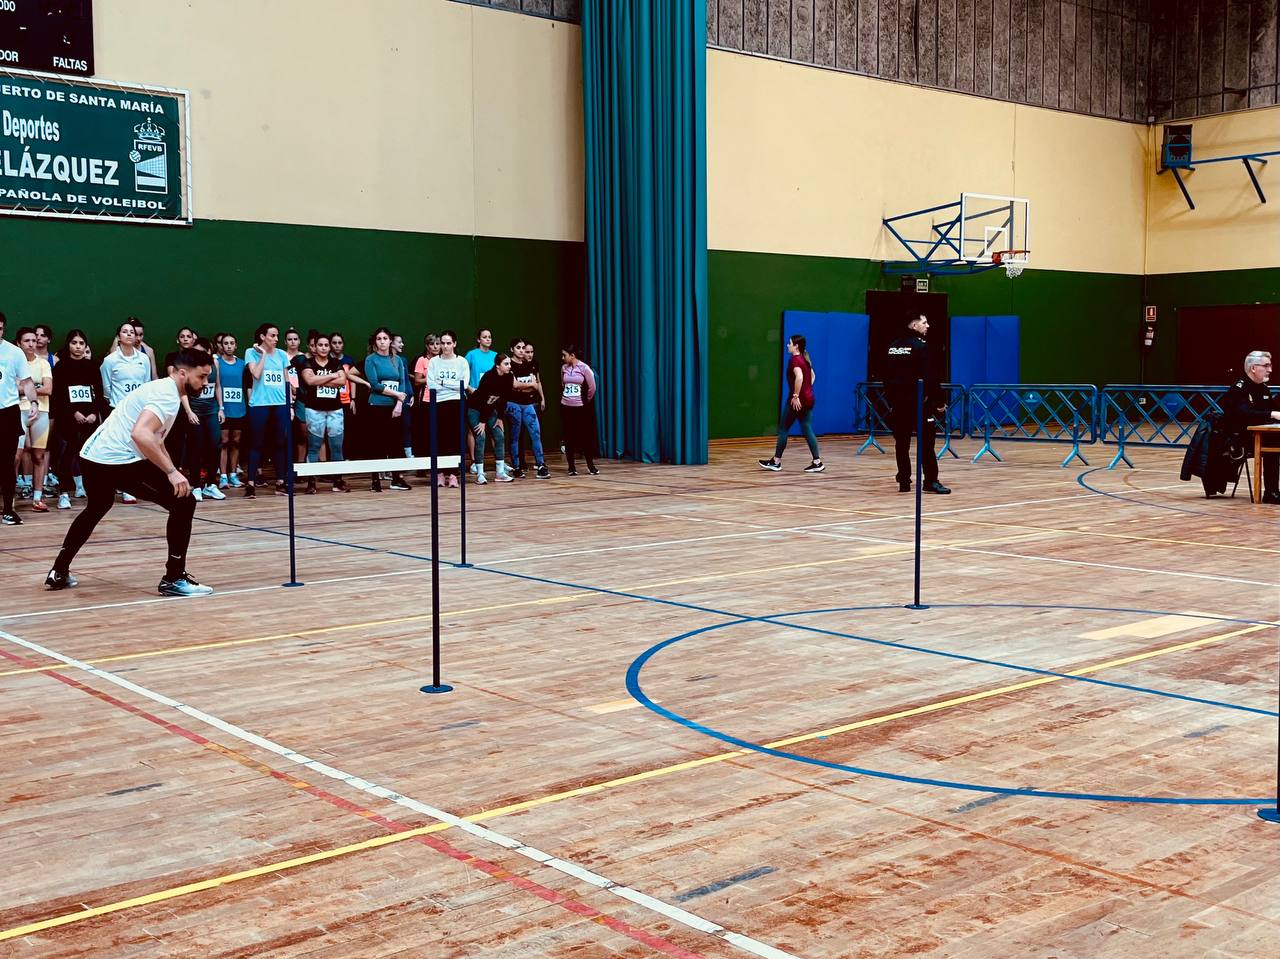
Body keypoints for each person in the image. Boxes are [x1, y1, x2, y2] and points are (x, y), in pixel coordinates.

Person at [44, 349, 216, 596]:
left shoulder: (162, 389)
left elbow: (155, 439)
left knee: (97, 506)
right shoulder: (166, 396)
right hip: (115, 460)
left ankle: (59, 570)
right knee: (184, 502)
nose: (205, 383)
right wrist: (171, 471)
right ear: (182, 373)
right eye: (201, 376)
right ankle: (174, 578)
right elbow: (141, 434)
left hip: (92, 455)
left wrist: (173, 471)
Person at [885, 313, 950, 495]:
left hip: (898, 405)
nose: (928, 326)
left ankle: (904, 481)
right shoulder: (921, 346)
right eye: (924, 322)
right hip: (919, 404)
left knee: (901, 444)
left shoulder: (893, 346)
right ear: (914, 325)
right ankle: (930, 481)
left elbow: (886, 377)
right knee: (927, 445)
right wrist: (939, 402)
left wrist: (892, 400)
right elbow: (931, 378)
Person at [50, 329, 106, 509]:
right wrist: (73, 412)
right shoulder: (61, 367)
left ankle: (91, 490)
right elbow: (59, 394)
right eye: (74, 343)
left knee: (89, 455)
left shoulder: (92, 366)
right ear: (68, 345)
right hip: (68, 418)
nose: (78, 347)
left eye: (81, 343)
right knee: (66, 455)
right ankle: (64, 493)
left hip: (90, 418)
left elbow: (98, 392)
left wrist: (93, 413)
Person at [758, 334, 824, 475]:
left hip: (798, 400)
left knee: (783, 429)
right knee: (807, 429)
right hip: (809, 399)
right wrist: (807, 390)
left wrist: (796, 396)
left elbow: (799, 377)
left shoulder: (795, 360)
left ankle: (776, 462)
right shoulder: (805, 359)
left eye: (790, 343)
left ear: (796, 346)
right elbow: (812, 376)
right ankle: (817, 462)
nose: (788, 345)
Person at [1220, 350, 1280, 503]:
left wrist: (1274, 413)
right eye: (1266, 366)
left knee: (1274, 439)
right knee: (1274, 442)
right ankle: (1271, 492)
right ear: (1253, 368)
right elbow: (1244, 414)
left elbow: (1273, 409)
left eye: (1270, 366)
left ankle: (1273, 491)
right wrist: (1272, 414)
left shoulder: (1263, 388)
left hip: (1260, 434)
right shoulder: (1238, 389)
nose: (1270, 370)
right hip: (1238, 439)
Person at [243, 322, 291, 498]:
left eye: (277, 335)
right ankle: (250, 484)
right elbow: (256, 374)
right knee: (257, 443)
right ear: (262, 337)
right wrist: (263, 354)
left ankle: (280, 483)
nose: (276, 339)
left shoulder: (282, 355)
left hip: (280, 404)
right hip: (260, 404)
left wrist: (290, 405)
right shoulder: (251, 352)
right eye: (272, 335)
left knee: (279, 443)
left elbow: (286, 380)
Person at [1, 313, 39, 526]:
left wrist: (33, 402)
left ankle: (8, 509)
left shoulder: (14, 353)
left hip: (7, 412)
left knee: (8, 463)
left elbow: (27, 382)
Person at [362, 327, 411, 491]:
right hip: (377, 406)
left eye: (385, 338)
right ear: (375, 342)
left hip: (395, 407)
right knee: (376, 443)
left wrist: (399, 403)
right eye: (379, 339)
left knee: (396, 443)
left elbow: (402, 382)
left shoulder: (398, 360)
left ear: (390, 341)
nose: (382, 342)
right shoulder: (371, 360)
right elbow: (375, 384)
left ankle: (397, 479)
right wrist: (396, 394)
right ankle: (375, 480)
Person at [301, 334, 350, 493]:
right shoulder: (308, 363)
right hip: (314, 410)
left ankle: (338, 481)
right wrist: (332, 375)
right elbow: (310, 381)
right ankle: (311, 482)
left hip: (335, 410)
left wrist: (320, 379)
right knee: (314, 446)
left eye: (326, 345)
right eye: (320, 345)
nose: (323, 348)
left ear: (329, 347)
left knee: (336, 446)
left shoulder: (336, 362)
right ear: (315, 347)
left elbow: (342, 381)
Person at [15, 328, 53, 511]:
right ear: (18, 344)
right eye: (26, 341)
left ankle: (37, 498)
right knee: (16, 457)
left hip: (41, 412)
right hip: (18, 411)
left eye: (33, 340)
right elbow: (11, 389)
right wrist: (35, 386)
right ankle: (10, 500)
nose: (31, 344)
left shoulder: (43, 364)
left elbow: (48, 389)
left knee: (39, 456)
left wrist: (25, 388)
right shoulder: (13, 363)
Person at [426, 330, 470, 488]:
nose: (445, 346)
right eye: (442, 343)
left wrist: (443, 382)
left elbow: (463, 385)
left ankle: (453, 475)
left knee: (455, 438)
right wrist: (452, 385)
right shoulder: (433, 362)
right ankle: (439, 474)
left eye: (448, 343)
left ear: (454, 344)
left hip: (456, 403)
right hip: (438, 403)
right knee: (440, 438)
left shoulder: (462, 362)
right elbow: (431, 384)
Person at [185, 336, 226, 502]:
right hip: (195, 411)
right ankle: (196, 485)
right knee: (196, 447)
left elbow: (217, 386)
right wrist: (189, 411)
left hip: (211, 410)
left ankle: (211, 484)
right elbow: (182, 391)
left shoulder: (215, 364)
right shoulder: (189, 366)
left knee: (215, 445)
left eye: (203, 351)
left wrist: (221, 408)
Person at [467, 353, 516, 484]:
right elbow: (485, 401)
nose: (509, 366)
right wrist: (482, 422)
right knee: (480, 436)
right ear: (498, 366)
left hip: (490, 409)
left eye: (510, 364)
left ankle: (500, 473)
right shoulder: (489, 377)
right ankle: (480, 474)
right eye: (506, 364)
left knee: (499, 436)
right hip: (475, 409)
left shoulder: (509, 377)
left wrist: (499, 417)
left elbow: (504, 398)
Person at [506, 338, 549, 479]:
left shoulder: (529, 365)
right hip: (513, 404)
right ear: (512, 349)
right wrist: (528, 386)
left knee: (536, 434)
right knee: (515, 436)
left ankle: (541, 465)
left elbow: (535, 385)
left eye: (523, 348)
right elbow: (514, 385)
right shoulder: (509, 364)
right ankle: (517, 467)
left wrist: (526, 387)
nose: (521, 350)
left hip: (528, 404)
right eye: (518, 348)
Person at [559, 345, 599, 476]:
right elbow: (563, 384)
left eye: (564, 355)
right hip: (566, 406)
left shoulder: (584, 368)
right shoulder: (564, 368)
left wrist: (584, 400)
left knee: (584, 437)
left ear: (572, 355)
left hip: (580, 408)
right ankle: (571, 467)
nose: (563, 358)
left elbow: (592, 388)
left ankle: (591, 466)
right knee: (568, 437)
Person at [216, 333, 246, 488]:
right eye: (226, 343)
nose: (229, 346)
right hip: (224, 409)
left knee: (236, 442)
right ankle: (223, 476)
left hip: (239, 409)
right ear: (221, 346)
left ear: (236, 346)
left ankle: (233, 475)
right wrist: (220, 407)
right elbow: (217, 385)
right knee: (224, 441)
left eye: (231, 343)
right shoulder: (217, 363)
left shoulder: (242, 364)